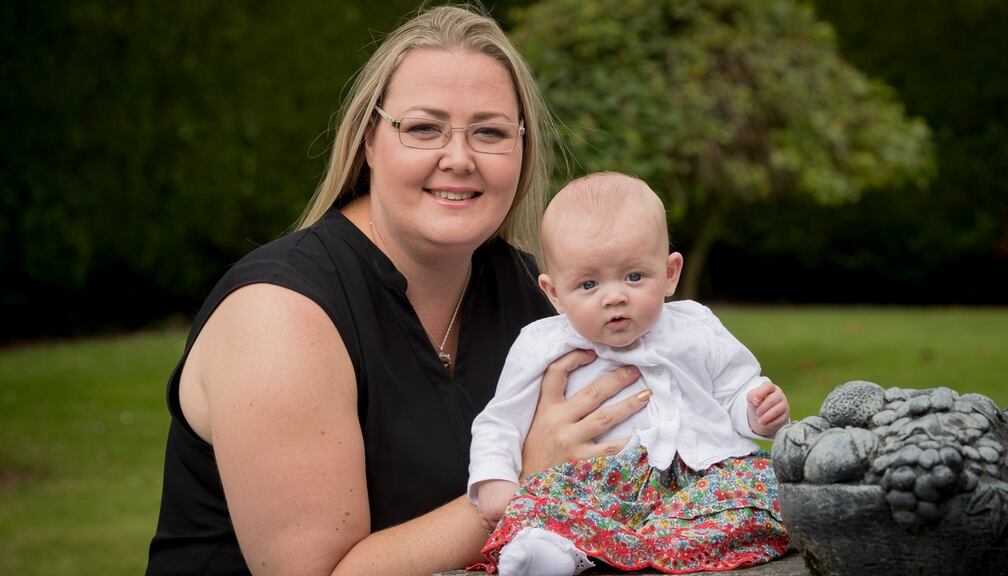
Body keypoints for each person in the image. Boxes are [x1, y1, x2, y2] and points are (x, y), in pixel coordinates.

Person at [145, 6, 650, 575]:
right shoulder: (280, 315)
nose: (458, 159)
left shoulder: (544, 300)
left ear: (523, 149)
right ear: (368, 141)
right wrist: (526, 483)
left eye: (489, 132)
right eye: (423, 128)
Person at [468, 172, 792, 575]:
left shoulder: (696, 326)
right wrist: (494, 480)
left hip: (698, 478)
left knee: (764, 487)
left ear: (670, 273)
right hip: (599, 484)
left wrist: (756, 408)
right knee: (545, 503)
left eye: (634, 276)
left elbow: (735, 388)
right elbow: (500, 421)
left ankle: (656, 542)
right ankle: (552, 550)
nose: (615, 295)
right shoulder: (541, 344)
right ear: (554, 294)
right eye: (588, 284)